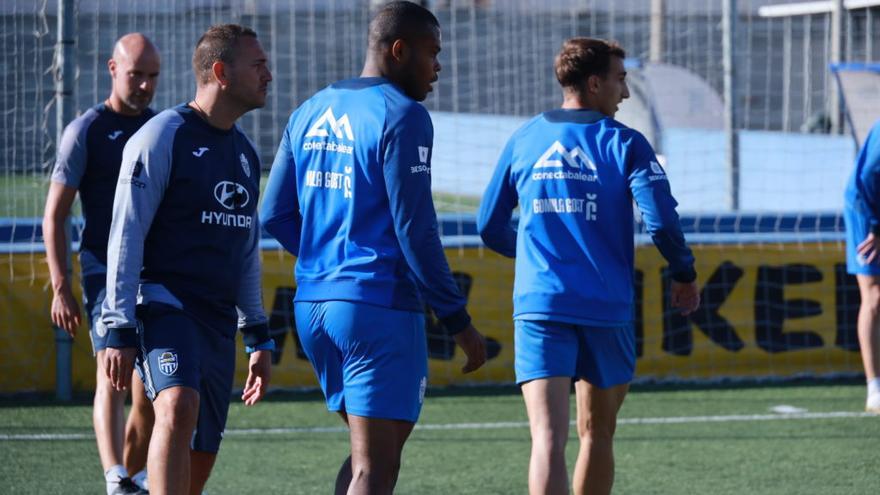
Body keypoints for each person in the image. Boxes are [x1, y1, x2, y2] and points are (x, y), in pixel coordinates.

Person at [260, 2, 487, 493]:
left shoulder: (310, 109)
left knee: (371, 458)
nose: (439, 67)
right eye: (432, 53)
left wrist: (329, 261)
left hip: (314, 306)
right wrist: (458, 321)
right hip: (374, 308)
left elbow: (273, 213)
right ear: (399, 50)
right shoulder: (404, 116)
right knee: (375, 466)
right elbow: (415, 228)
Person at [477, 38, 700, 495]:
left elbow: (488, 225)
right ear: (594, 83)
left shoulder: (525, 138)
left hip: (542, 305)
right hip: (605, 306)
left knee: (547, 439)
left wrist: (539, 258)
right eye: (620, 80)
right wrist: (684, 272)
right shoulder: (626, 143)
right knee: (597, 434)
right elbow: (659, 220)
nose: (626, 93)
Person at [100, 24, 274, 495]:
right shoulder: (162, 137)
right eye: (257, 65)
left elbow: (245, 247)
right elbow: (125, 233)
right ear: (221, 72)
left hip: (218, 322)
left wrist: (256, 330)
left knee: (198, 462)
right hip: (163, 305)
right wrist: (118, 324)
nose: (269, 74)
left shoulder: (244, 153)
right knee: (176, 405)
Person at [43, 32, 159, 495]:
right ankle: (115, 477)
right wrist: (60, 285)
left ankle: (132, 478)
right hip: (102, 270)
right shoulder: (85, 130)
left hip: (154, 274)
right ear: (113, 70)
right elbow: (55, 214)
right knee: (112, 370)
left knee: (152, 390)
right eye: (136, 75)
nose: (146, 85)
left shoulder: (161, 129)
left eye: (153, 76)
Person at [843, 118, 880, 414]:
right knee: (874, 296)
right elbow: (866, 179)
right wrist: (875, 227)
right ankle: (874, 388)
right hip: (866, 212)